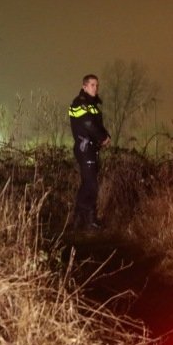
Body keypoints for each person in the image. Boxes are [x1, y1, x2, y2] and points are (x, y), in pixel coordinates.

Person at [69, 74, 111, 230]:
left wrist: (106, 136)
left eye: (97, 85)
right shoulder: (79, 104)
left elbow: (96, 124)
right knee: (92, 185)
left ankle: (79, 220)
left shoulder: (92, 105)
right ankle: (90, 219)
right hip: (85, 148)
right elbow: (88, 124)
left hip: (92, 149)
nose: (95, 88)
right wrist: (102, 137)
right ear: (84, 86)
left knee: (88, 183)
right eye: (92, 85)